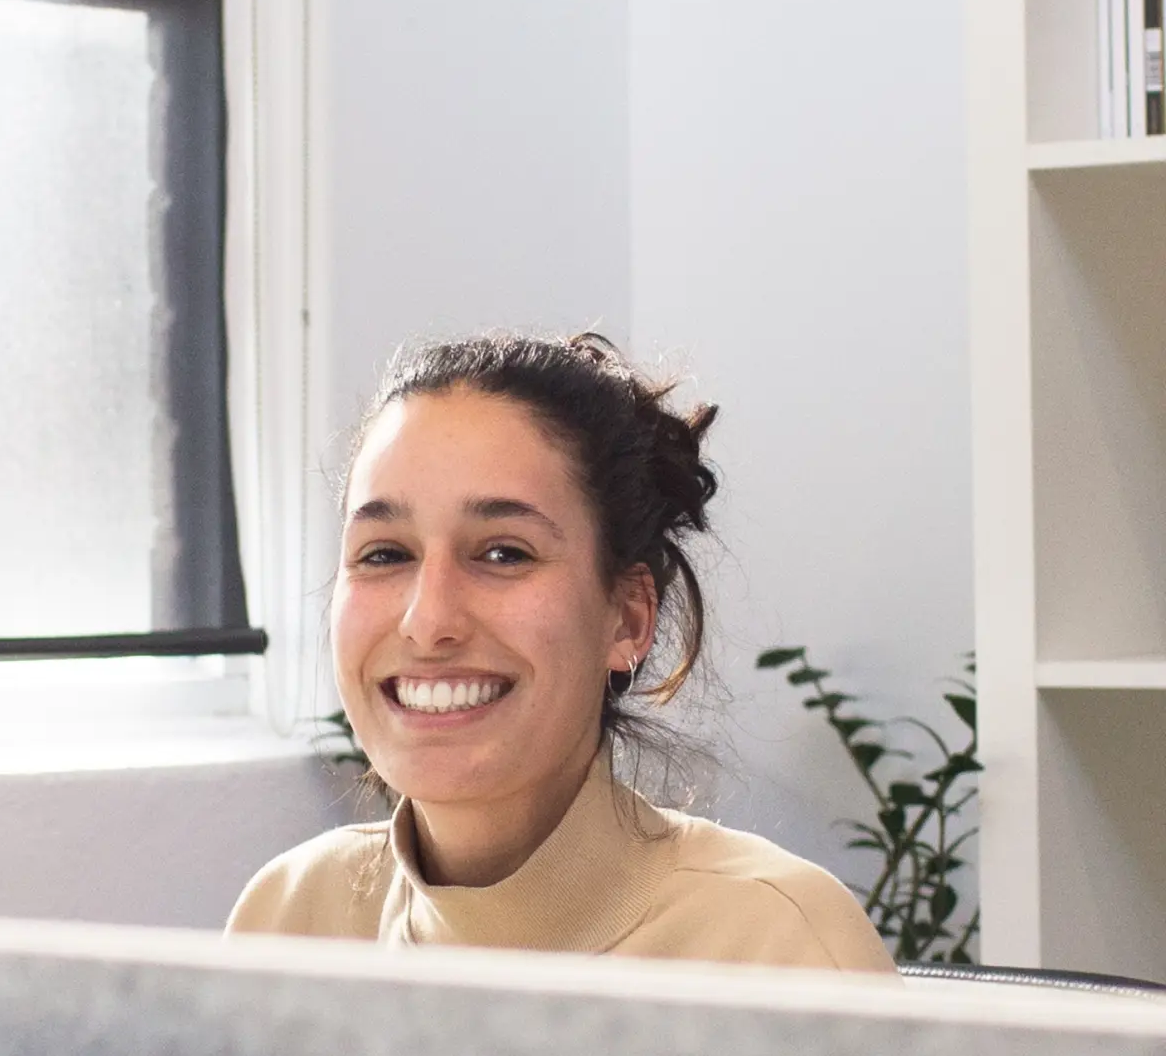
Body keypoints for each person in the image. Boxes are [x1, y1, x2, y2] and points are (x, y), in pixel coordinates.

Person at [226, 332, 895, 972]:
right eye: (385, 554)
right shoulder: (290, 918)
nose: (427, 622)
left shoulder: (778, 945)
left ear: (628, 618)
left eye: (503, 553)